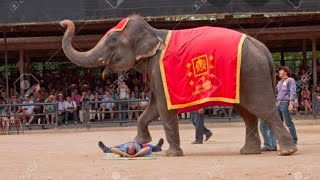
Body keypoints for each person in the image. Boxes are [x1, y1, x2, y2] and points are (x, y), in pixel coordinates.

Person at [277, 66, 298, 144]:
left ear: (285, 72)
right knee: (279, 123)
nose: (279, 72)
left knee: (288, 122)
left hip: (285, 103)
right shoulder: (279, 82)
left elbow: (293, 92)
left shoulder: (290, 80)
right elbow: (278, 93)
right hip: (279, 103)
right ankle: (282, 139)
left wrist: (291, 103)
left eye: (280, 71)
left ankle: (294, 139)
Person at [98, 138, 164, 157]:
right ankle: (158, 147)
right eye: (132, 150)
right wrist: (136, 155)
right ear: (134, 151)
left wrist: (124, 154)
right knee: (152, 147)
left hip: (124, 145)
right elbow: (147, 149)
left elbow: (113, 149)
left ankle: (104, 149)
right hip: (141, 145)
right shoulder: (138, 150)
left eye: (130, 149)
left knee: (111, 149)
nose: (131, 148)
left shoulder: (124, 149)